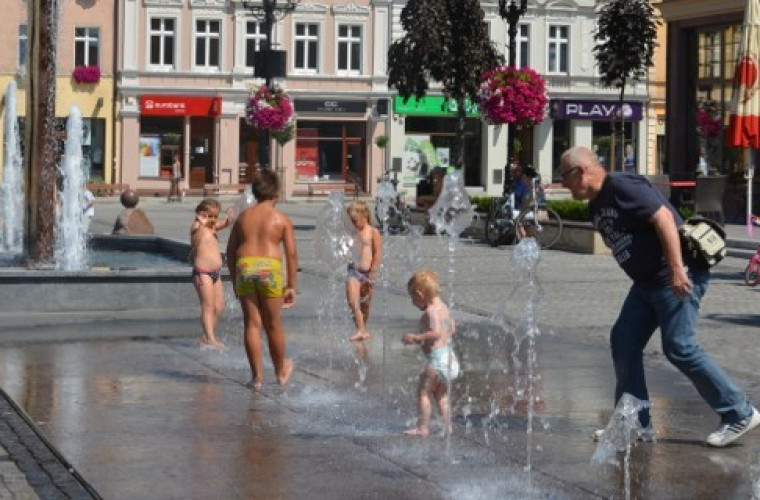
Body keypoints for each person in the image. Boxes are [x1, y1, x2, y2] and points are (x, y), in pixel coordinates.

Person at [559, 146, 759, 447]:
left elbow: (665, 218)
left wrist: (678, 270)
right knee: (624, 340)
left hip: (673, 276)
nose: (563, 185)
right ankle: (635, 423)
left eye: (565, 177)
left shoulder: (622, 185)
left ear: (581, 171)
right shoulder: (596, 205)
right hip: (646, 284)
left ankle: (739, 412)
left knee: (680, 346)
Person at [226, 169, 297, 389]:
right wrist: (291, 285)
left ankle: (257, 378)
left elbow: (230, 252)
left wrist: (235, 279)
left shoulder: (243, 217)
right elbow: (292, 254)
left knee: (252, 324)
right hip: (269, 268)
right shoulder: (281, 219)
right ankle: (280, 370)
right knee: (273, 324)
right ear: (277, 192)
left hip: (245, 267)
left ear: (254, 192)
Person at [402, 270, 459, 437]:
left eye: (413, 298)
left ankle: (422, 427)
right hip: (449, 357)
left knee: (423, 392)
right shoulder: (444, 308)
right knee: (441, 395)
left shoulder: (431, 311)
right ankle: (448, 426)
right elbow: (452, 328)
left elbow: (435, 333)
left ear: (420, 294)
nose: (413, 302)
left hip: (437, 360)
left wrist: (416, 337)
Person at [190, 199, 234, 350]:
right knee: (208, 306)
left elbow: (226, 223)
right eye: (210, 216)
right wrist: (200, 224)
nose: (213, 219)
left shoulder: (212, 226)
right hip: (203, 274)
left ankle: (207, 335)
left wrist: (230, 217)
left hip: (215, 273)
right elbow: (195, 242)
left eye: (215, 216)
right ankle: (210, 338)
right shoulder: (197, 227)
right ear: (201, 214)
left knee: (219, 306)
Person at [345, 201, 382, 341]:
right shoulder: (351, 232)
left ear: (364, 216)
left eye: (354, 221)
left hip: (367, 273)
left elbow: (377, 253)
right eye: (350, 221)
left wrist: (373, 271)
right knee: (352, 302)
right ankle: (360, 329)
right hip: (353, 271)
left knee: (365, 305)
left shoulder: (373, 232)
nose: (352, 224)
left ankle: (362, 329)